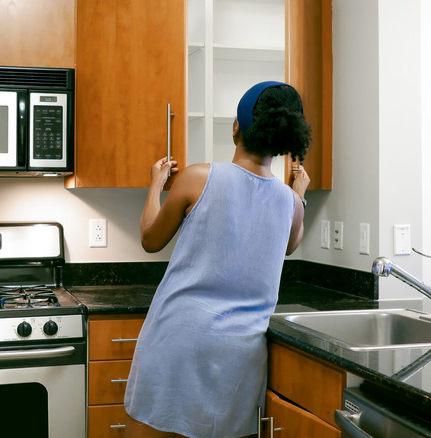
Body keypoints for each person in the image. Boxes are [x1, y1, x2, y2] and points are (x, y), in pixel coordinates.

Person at [123, 81, 313, 438]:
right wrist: (299, 193)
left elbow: (150, 238)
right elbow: (291, 243)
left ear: (236, 127)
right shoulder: (290, 203)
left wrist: (155, 184)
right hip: (240, 357)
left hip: (178, 342)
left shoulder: (199, 177)